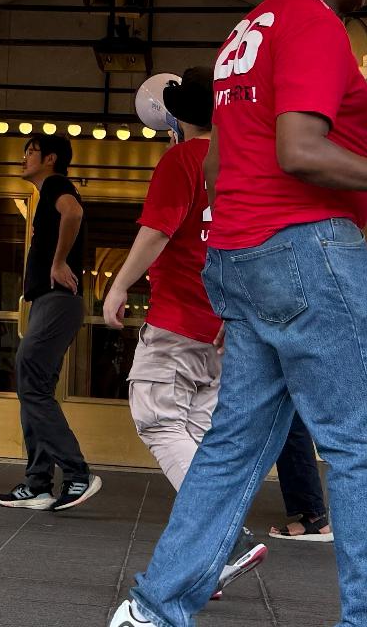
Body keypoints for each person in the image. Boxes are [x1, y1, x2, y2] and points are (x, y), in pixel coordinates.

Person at [111, 0, 367, 627]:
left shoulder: (248, 32)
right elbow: (299, 151)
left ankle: (156, 607)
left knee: (234, 445)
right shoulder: (314, 25)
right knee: (363, 446)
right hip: (308, 253)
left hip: (242, 255)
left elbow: (219, 159)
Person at [101, 69, 268, 596]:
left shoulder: (183, 160)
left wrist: (118, 285)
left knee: (157, 420)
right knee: (197, 436)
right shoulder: (248, 162)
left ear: (179, 115)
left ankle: (222, 540)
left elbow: (158, 232)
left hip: (176, 319)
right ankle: (203, 559)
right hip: (225, 327)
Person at [0, 132, 101, 512]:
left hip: (58, 301)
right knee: (33, 386)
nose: (25, 157)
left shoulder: (57, 184)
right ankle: (38, 483)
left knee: (31, 380)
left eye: (32, 151)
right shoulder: (45, 195)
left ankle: (77, 474)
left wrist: (58, 263)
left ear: (51, 159)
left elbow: (73, 212)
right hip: (48, 302)